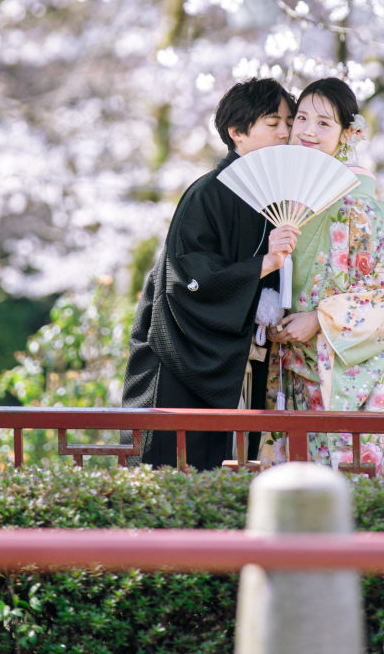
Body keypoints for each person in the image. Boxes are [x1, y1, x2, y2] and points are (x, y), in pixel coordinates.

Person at [123, 78, 300, 470]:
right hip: (184, 352)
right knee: (177, 468)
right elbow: (187, 276)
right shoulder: (207, 193)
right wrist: (262, 266)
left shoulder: (278, 197)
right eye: (273, 122)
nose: (286, 132)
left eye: (289, 121)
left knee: (233, 471)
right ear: (236, 132)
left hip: (245, 355)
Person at [258, 78, 384, 479]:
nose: (308, 131)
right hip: (291, 359)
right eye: (303, 119)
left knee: (343, 479)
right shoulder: (285, 195)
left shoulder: (360, 204)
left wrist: (319, 318)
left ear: (348, 133)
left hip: (340, 362)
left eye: (325, 123)